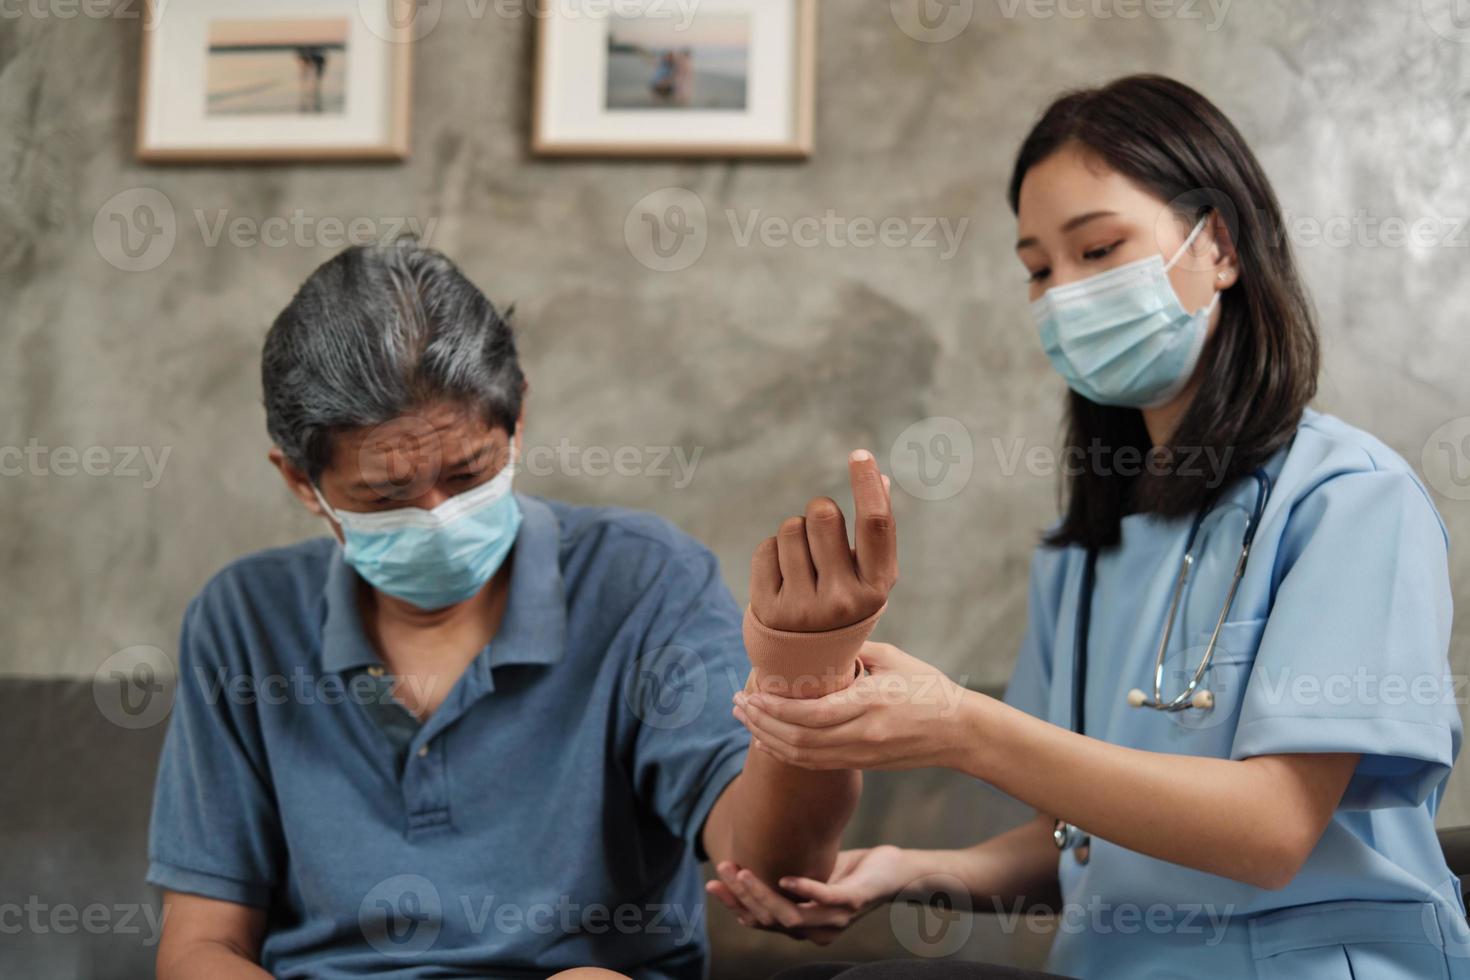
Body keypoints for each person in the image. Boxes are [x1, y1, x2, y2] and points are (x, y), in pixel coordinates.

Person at [711, 74, 1468, 979]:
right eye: (1037, 269)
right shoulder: (1086, 553)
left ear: (1219, 245)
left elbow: (1271, 832)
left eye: (1099, 249)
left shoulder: (1352, 500)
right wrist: (907, 871)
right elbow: (1079, 840)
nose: (1063, 295)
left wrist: (959, 724)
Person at [146, 240, 897, 979]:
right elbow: (199, 947)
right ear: (300, 482)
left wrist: (808, 684)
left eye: (468, 472)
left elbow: (772, 871)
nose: (439, 515)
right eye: (385, 496)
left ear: (518, 417)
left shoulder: (641, 580)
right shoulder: (245, 619)